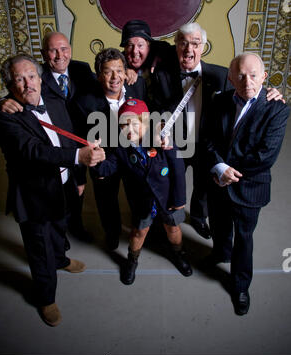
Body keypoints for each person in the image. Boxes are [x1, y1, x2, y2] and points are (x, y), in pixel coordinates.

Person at [0, 54, 105, 326]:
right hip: (33, 195)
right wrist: (79, 158)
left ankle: (61, 259)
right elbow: (33, 151)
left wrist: (77, 176)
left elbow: (67, 136)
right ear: (10, 85)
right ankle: (45, 297)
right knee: (38, 247)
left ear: (40, 79)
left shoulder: (55, 101)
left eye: (31, 76)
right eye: (18, 79)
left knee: (58, 228)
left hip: (62, 184)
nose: (27, 84)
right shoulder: (5, 116)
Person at [153, 22, 284, 240]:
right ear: (176, 46)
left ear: (203, 47)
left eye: (195, 43)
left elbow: (248, 90)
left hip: (207, 142)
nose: (189, 49)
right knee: (171, 183)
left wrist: (271, 91)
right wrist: (158, 129)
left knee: (203, 185)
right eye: (183, 43)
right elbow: (158, 109)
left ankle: (197, 217)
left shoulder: (222, 75)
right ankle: (167, 218)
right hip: (176, 142)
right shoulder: (162, 76)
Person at [204, 52, 289, 315]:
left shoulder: (277, 109)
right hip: (218, 180)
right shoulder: (219, 101)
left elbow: (265, 156)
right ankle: (220, 252)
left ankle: (240, 285)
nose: (247, 81)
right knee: (218, 224)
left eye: (253, 75)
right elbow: (207, 140)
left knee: (244, 236)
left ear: (264, 77)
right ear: (231, 77)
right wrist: (219, 168)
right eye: (240, 75)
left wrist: (230, 170)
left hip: (249, 187)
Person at [0, 32, 100, 239]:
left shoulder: (82, 69)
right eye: (53, 50)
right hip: (49, 161)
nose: (60, 55)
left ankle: (73, 233)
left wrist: (130, 76)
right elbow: (18, 92)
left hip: (75, 149)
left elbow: (106, 85)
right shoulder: (33, 75)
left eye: (64, 49)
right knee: (42, 227)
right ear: (44, 53)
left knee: (72, 202)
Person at [92, 98, 193, 285]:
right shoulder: (120, 148)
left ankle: (179, 253)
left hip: (167, 198)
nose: (128, 130)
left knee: (173, 228)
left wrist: (179, 199)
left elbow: (178, 170)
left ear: (145, 121)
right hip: (142, 201)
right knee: (139, 232)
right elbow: (106, 168)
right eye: (123, 125)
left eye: (133, 124)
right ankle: (132, 259)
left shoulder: (163, 139)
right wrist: (96, 159)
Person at [73, 47, 147, 250]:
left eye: (119, 70)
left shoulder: (138, 85)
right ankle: (112, 234)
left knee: (137, 195)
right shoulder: (84, 102)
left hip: (134, 154)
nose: (115, 77)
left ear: (126, 71)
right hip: (105, 159)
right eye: (107, 72)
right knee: (106, 201)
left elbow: (147, 118)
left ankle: (140, 230)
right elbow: (79, 139)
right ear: (98, 76)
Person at [120, 19, 171, 104]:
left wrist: (158, 55)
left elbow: (171, 48)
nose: (135, 51)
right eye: (130, 45)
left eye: (140, 45)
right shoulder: (119, 63)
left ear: (149, 46)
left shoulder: (160, 56)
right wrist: (122, 69)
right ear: (124, 48)